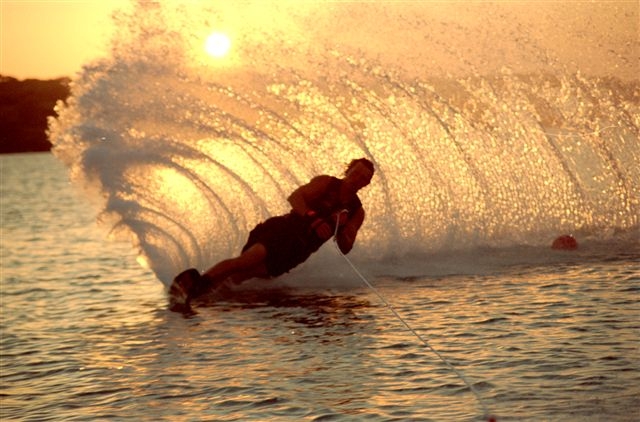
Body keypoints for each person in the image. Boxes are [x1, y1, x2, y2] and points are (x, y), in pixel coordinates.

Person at [169, 158, 375, 308]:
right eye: (356, 172)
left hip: (299, 251)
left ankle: (204, 297)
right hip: (282, 231)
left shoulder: (356, 212)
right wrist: (315, 218)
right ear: (348, 170)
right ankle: (198, 284)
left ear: (366, 184)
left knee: (244, 275)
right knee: (248, 260)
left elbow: (345, 248)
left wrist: (341, 229)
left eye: (364, 178)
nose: (358, 179)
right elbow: (295, 197)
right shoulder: (326, 183)